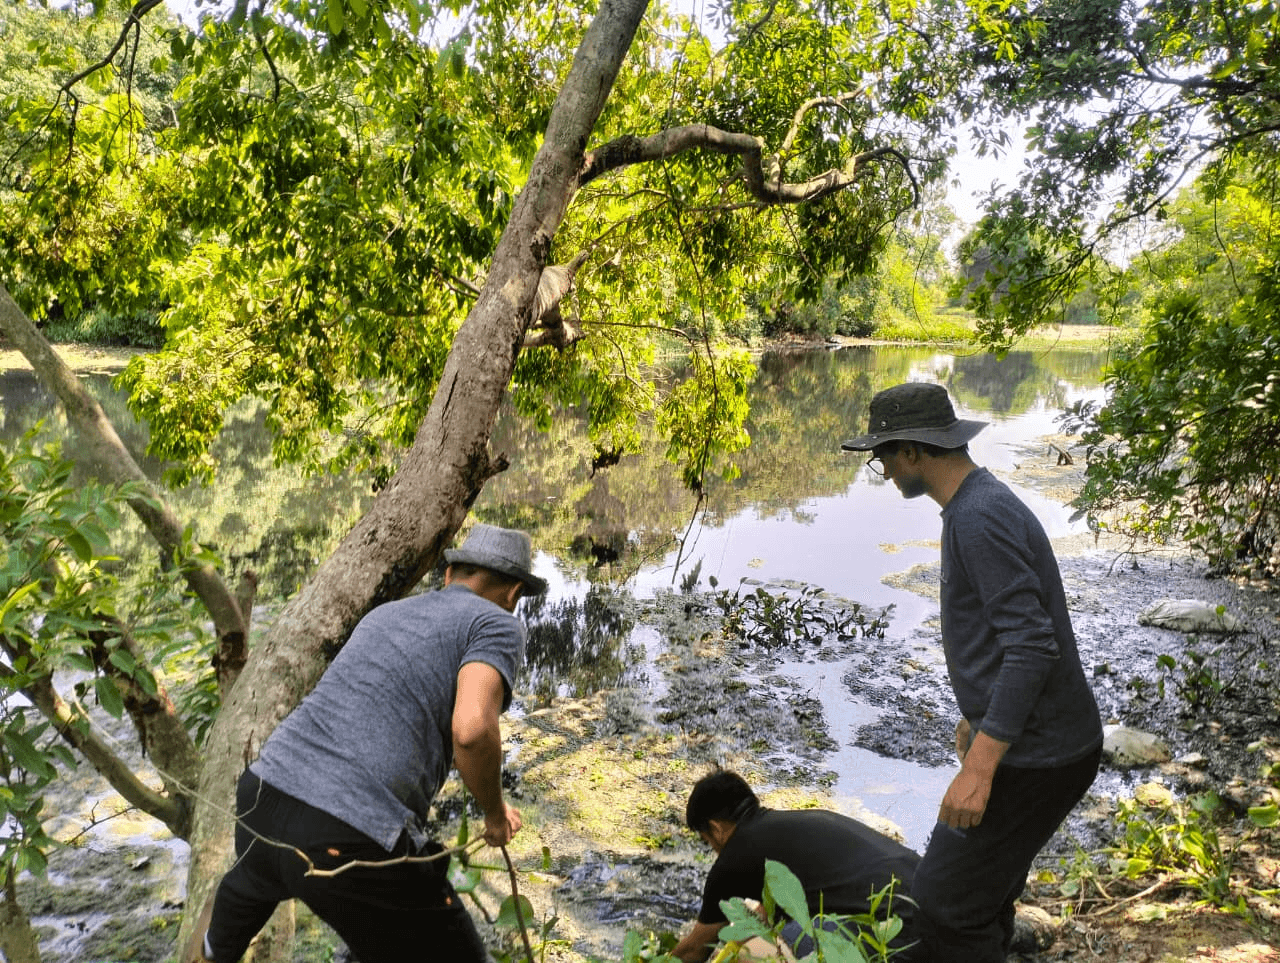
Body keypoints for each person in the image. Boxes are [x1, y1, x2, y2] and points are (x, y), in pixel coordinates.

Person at [182, 523, 547, 963]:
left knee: (216, 949)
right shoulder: (496, 624)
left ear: (450, 576)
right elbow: (471, 730)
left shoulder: (386, 614)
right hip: (346, 834)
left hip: (262, 797)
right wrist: (494, 813)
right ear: (513, 594)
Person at [841, 382, 1103, 963]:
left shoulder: (978, 518)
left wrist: (981, 768)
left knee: (946, 900)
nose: (881, 468)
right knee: (981, 892)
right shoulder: (975, 505)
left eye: (883, 454)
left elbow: (1032, 647)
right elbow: (1003, 634)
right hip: (1042, 741)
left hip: (1042, 754)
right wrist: (976, 717)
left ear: (914, 453)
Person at [673, 771, 924, 963]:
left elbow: (695, 949)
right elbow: (773, 910)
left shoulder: (734, 856)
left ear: (715, 828)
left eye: (707, 841)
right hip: (939, 913)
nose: (714, 850)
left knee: (752, 954)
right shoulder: (802, 824)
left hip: (895, 935)